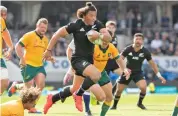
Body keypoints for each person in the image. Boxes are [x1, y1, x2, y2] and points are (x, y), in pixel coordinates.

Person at [43, 2, 114, 113]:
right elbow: (57, 34)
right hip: (78, 60)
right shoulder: (76, 25)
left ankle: (52, 98)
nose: (94, 18)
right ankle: (79, 95)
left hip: (88, 62)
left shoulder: (97, 25)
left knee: (74, 88)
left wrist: (99, 35)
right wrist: (48, 50)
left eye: (95, 15)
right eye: (91, 15)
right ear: (84, 15)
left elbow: (108, 38)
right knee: (96, 75)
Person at [8, 18, 53, 113]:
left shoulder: (45, 39)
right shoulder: (29, 35)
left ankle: (32, 107)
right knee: (29, 89)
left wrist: (50, 58)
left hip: (39, 66)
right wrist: (22, 58)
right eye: (41, 27)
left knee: (40, 86)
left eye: (45, 28)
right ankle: (16, 86)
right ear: (37, 26)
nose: (43, 29)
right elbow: (18, 46)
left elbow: (44, 53)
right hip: (28, 65)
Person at [111, 33, 166, 110]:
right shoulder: (128, 49)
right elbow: (119, 60)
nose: (138, 41)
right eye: (136, 39)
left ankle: (139, 103)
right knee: (119, 90)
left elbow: (153, 64)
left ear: (143, 41)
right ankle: (114, 106)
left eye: (140, 39)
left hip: (138, 72)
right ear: (133, 40)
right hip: (127, 72)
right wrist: (124, 70)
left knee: (143, 88)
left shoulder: (145, 51)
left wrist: (159, 76)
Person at [0, 5, 14, 95]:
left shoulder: (1, 21)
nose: (3, 16)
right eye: (1, 14)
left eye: (4, 15)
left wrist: (10, 47)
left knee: (5, 82)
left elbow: (5, 32)